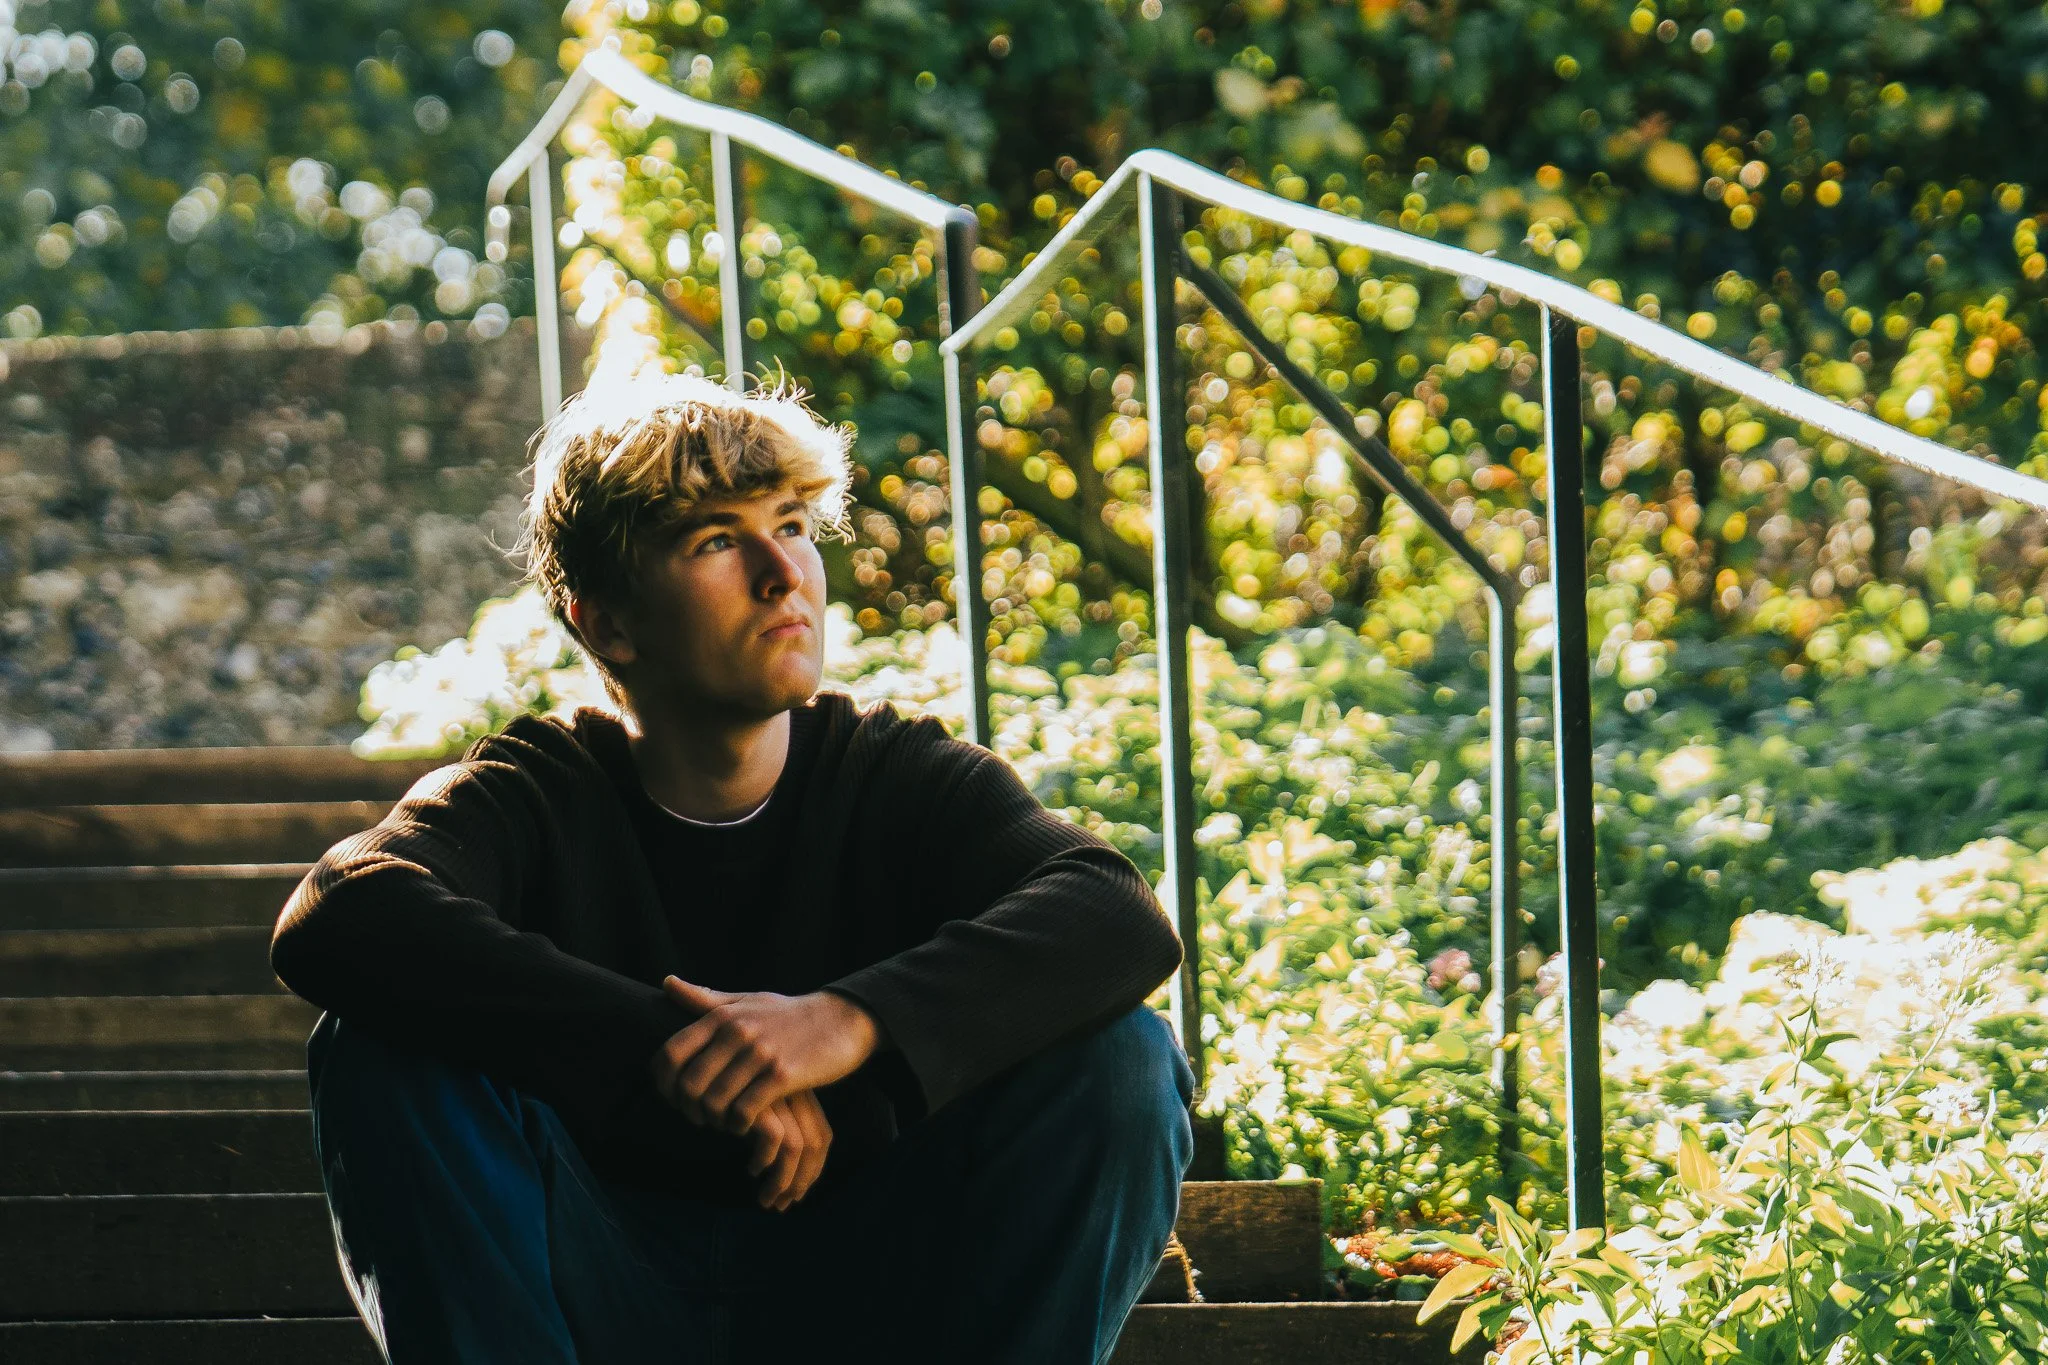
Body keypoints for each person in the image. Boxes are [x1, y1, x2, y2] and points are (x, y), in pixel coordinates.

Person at [270, 371, 1195, 1365]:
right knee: (378, 1048)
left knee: (1121, 1061)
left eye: (792, 524)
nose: (781, 571)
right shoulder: (536, 791)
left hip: (878, 1300)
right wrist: (680, 1054)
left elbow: (1113, 911)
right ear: (606, 624)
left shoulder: (896, 773)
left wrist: (843, 1027)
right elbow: (338, 911)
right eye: (715, 539)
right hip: (597, 1294)